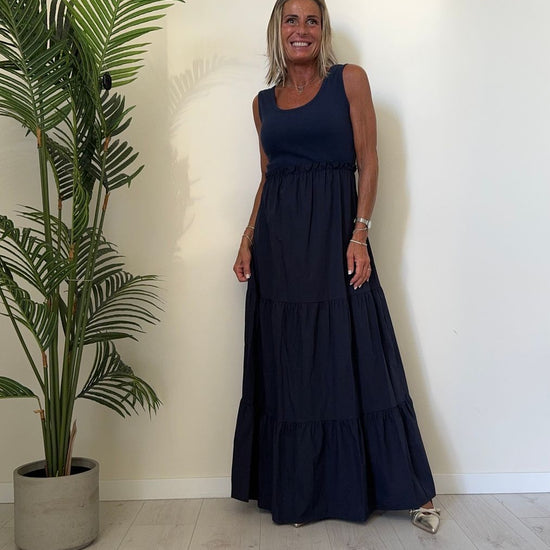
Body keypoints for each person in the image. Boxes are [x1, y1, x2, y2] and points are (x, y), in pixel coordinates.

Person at [231, 0, 440, 534]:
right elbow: (268, 177)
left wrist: (360, 233)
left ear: (322, 30)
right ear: (278, 30)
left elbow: (368, 159)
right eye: (291, 20)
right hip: (279, 247)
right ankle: (300, 491)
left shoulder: (349, 80)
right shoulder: (262, 104)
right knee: (292, 367)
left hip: (333, 239)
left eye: (312, 20)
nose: (301, 29)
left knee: (359, 353)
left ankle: (400, 488)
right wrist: (248, 237)